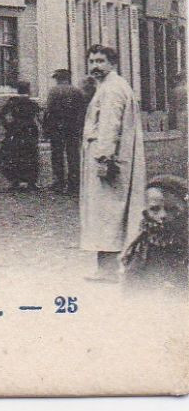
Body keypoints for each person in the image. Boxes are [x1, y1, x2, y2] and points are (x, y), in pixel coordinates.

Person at [80, 44, 148, 281]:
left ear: (112, 63)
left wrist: (103, 158)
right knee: (110, 211)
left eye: (100, 61)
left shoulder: (112, 89)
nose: (95, 66)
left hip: (109, 162)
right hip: (114, 159)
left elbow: (110, 127)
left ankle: (108, 269)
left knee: (107, 212)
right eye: (91, 62)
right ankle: (111, 266)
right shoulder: (110, 86)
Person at [122, 175, 188, 292]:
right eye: (154, 209)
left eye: (172, 209)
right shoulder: (142, 246)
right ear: (146, 210)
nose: (163, 215)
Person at [43, 69, 86, 195]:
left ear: (58, 78)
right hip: (72, 127)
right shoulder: (77, 91)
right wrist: (80, 126)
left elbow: (48, 111)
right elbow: (82, 110)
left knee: (57, 155)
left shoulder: (53, 91)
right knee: (73, 154)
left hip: (57, 127)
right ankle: (74, 183)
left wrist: (46, 128)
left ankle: (59, 182)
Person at [0, 82, 41, 189]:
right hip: (29, 130)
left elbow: (2, 114)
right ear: (28, 90)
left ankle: (15, 180)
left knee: (14, 154)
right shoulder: (31, 103)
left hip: (15, 130)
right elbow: (38, 117)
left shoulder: (13, 102)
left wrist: (8, 126)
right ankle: (31, 181)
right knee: (30, 155)